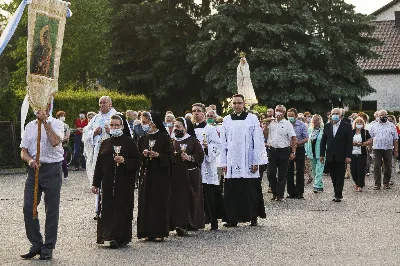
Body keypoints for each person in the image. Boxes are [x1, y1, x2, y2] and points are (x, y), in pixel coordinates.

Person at [20, 105, 64, 260]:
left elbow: (54, 142)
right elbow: (23, 150)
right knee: (28, 207)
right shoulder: (29, 126)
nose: (38, 109)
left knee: (51, 209)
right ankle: (36, 243)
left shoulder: (57, 123)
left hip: (52, 169)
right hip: (34, 171)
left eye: (42, 106)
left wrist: (45, 122)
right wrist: (30, 160)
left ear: (49, 107)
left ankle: (48, 246)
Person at [92, 115, 141, 248]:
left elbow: (138, 161)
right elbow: (99, 164)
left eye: (117, 125)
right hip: (107, 183)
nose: (114, 127)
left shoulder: (129, 142)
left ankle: (121, 237)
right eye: (112, 125)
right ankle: (108, 235)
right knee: (107, 209)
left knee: (121, 209)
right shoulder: (105, 143)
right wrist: (95, 183)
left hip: (124, 182)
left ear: (122, 126)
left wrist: (125, 161)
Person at [219, 94, 267, 227]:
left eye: (239, 103)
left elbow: (258, 141)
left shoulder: (252, 119)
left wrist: (256, 161)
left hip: (248, 160)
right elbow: (223, 142)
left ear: (244, 104)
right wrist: (223, 162)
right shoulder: (227, 120)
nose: (237, 105)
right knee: (232, 190)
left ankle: (253, 216)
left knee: (249, 189)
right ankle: (232, 218)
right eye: (234, 103)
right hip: (232, 160)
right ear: (231, 104)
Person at [137, 112, 173, 242]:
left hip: (160, 175)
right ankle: (146, 231)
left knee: (158, 202)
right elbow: (137, 157)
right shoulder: (142, 138)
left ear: (153, 122)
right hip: (146, 174)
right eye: (142, 122)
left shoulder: (164, 137)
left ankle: (159, 232)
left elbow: (171, 158)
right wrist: (143, 155)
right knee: (146, 202)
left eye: (146, 122)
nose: (144, 125)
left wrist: (158, 155)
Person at [192, 103, 226, 230]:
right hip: (193, 164)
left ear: (203, 114)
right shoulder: (189, 129)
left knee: (209, 193)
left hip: (207, 164)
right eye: (194, 111)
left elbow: (218, 146)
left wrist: (208, 148)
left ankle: (213, 219)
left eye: (198, 111)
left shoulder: (210, 129)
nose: (196, 113)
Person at [84, 96, 118, 218]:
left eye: (104, 102)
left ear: (110, 103)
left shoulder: (117, 116)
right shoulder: (95, 119)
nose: (102, 105)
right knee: (97, 179)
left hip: (113, 155)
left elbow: (125, 135)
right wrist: (94, 133)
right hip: (98, 154)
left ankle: (110, 208)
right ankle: (98, 209)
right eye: (100, 103)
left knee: (111, 181)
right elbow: (85, 134)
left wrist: (111, 131)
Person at [170, 117, 205, 236]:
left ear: (185, 128)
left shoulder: (193, 141)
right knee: (178, 199)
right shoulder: (172, 141)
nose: (176, 129)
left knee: (190, 198)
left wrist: (189, 158)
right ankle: (179, 224)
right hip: (177, 174)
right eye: (175, 126)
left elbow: (200, 156)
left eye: (179, 126)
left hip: (191, 173)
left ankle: (190, 223)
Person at [320, 108, 353, 202]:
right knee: (333, 175)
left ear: (341, 115)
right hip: (330, 155)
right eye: (333, 113)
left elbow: (349, 142)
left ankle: (338, 194)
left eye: (337, 113)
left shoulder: (346, 126)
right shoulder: (327, 126)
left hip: (342, 155)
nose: (334, 115)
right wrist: (322, 154)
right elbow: (323, 141)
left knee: (340, 175)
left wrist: (348, 156)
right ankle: (336, 191)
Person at [266, 105, 296, 201]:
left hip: (283, 151)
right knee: (270, 173)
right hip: (272, 150)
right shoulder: (271, 122)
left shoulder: (287, 124)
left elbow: (293, 138)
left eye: (280, 111)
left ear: (284, 113)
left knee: (282, 174)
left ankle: (280, 195)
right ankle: (274, 192)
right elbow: (265, 134)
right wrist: (266, 125)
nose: (278, 112)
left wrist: (293, 152)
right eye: (277, 110)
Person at [369, 110, 399, 190]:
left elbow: (395, 139)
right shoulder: (373, 126)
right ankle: (377, 184)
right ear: (378, 116)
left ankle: (386, 183)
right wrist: (370, 150)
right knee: (377, 166)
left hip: (388, 148)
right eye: (382, 115)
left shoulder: (392, 125)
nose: (384, 116)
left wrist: (396, 150)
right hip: (377, 148)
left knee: (388, 166)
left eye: (385, 114)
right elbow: (370, 138)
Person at [286, 108, 308, 199]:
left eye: (292, 116)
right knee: (289, 171)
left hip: (299, 149)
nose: (290, 117)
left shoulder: (302, 125)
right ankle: (291, 192)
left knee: (299, 171)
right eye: (289, 116)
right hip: (288, 149)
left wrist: (297, 143)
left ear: (296, 116)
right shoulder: (285, 125)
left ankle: (299, 192)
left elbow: (306, 138)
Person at [350, 117, 372, 192]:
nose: (359, 124)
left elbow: (370, 141)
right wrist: (352, 143)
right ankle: (356, 182)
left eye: (360, 122)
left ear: (363, 124)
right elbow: (346, 141)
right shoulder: (351, 131)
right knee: (353, 170)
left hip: (362, 153)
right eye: (357, 122)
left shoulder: (365, 132)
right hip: (352, 153)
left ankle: (360, 185)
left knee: (361, 169)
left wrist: (362, 144)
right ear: (355, 124)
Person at [305, 114, 325, 193]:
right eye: (314, 120)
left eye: (317, 120)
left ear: (320, 121)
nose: (315, 121)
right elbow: (307, 142)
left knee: (319, 169)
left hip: (320, 153)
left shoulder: (323, 130)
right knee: (314, 170)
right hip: (311, 153)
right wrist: (306, 152)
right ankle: (319, 185)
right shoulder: (310, 130)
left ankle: (316, 185)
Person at [82, 111, 96, 188]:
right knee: (89, 166)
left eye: (92, 117)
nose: (90, 119)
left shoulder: (98, 127)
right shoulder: (86, 128)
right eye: (89, 117)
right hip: (88, 149)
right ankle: (91, 182)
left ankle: (95, 183)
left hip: (96, 150)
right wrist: (93, 134)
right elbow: (84, 138)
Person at [56, 111, 70, 180]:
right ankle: (57, 175)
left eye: (64, 116)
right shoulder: (55, 125)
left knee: (63, 160)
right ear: (58, 117)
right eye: (61, 116)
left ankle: (66, 174)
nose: (63, 117)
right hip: (56, 146)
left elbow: (67, 136)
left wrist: (60, 140)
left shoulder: (66, 125)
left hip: (64, 145)